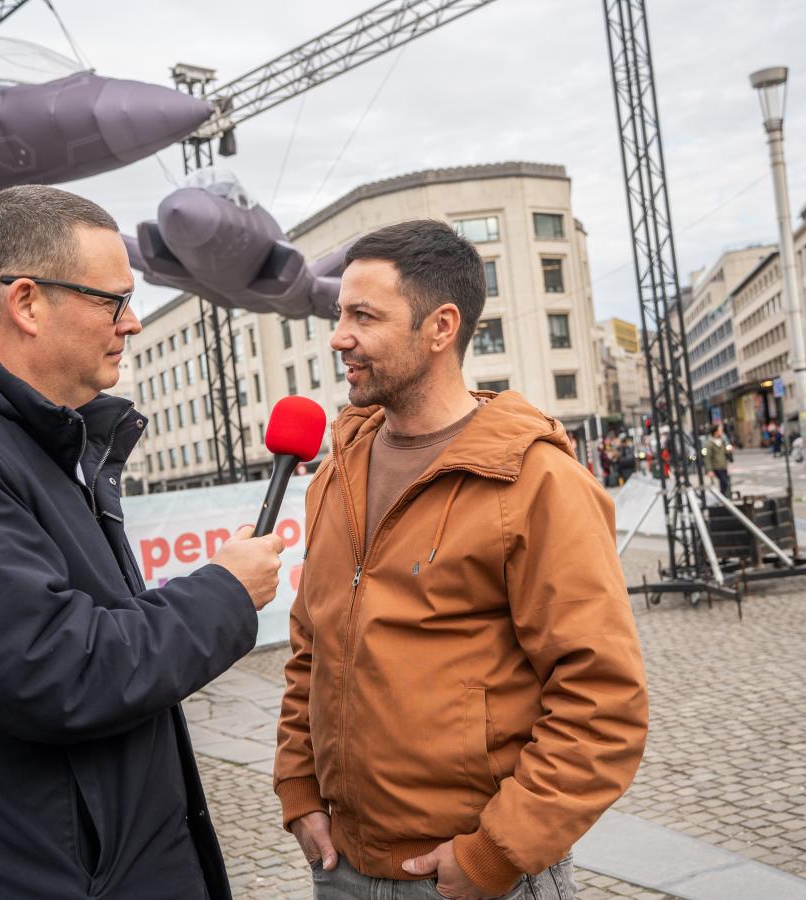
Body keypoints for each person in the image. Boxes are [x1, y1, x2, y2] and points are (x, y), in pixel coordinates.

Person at [0, 185, 287, 899]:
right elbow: (54, 670)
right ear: (27, 302)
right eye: (113, 300)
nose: (133, 323)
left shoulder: (29, 437)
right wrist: (225, 593)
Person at [274, 220, 648, 900]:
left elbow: (603, 701)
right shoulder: (338, 472)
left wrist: (496, 853)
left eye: (363, 316)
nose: (338, 337)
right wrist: (299, 788)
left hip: (471, 880)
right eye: (339, 315)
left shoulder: (535, 480)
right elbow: (311, 647)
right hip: (342, 869)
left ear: (440, 326)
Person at [704, 423, 731, 495]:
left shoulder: (723, 441)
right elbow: (707, 457)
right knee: (724, 482)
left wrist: (729, 449)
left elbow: (726, 452)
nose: (721, 432)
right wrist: (709, 470)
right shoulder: (709, 443)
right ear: (715, 432)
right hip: (716, 467)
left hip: (723, 466)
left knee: (724, 484)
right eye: (720, 430)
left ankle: (723, 497)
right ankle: (722, 497)